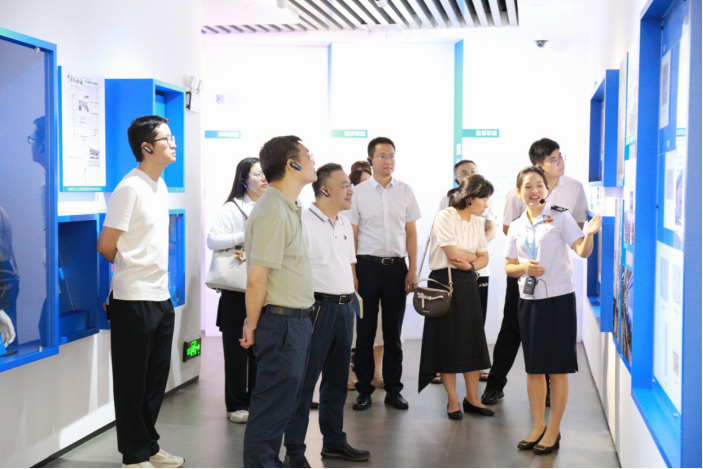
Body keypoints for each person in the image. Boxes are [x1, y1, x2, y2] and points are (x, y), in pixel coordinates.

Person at [97, 116, 184, 469]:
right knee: (132, 383)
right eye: (167, 139)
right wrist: (131, 268)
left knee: (154, 382)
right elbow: (105, 245)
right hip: (132, 299)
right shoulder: (130, 188)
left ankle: (148, 446)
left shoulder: (159, 185)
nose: (174, 143)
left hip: (161, 296)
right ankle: (133, 457)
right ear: (147, 147)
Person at [482, 138, 588, 406]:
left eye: (560, 156)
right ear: (539, 165)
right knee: (512, 328)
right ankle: (495, 384)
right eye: (554, 159)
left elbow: (575, 229)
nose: (560, 162)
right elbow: (510, 229)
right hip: (523, 273)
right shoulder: (518, 192)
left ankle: (550, 390)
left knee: (552, 336)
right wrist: (528, 255)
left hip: (555, 277)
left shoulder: (574, 188)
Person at [505, 166, 601, 454]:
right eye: (527, 187)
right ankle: (537, 426)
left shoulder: (560, 217)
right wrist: (524, 266)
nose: (534, 191)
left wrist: (590, 234)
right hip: (528, 299)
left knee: (557, 369)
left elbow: (582, 251)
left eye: (539, 185)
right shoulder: (517, 225)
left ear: (547, 189)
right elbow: (509, 266)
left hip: (559, 300)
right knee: (534, 369)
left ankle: (554, 429)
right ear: (519, 192)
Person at [283, 164, 371, 468]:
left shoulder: (344, 222)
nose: (351, 190)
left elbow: (348, 266)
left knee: (336, 380)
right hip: (317, 309)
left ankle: (333, 441)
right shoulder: (302, 221)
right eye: (344, 185)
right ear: (324, 190)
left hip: (346, 308)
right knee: (304, 382)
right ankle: (294, 449)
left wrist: (352, 299)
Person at [240, 136, 317, 468]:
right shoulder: (273, 210)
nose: (312, 161)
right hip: (282, 324)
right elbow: (257, 278)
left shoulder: (285, 207)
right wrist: (252, 323)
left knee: (280, 406)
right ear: (292, 164)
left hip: (293, 322)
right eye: (308, 155)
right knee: (271, 408)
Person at [348, 137, 421, 412]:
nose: (388, 161)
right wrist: (352, 273)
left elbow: (411, 233)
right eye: (382, 156)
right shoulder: (358, 193)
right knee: (365, 333)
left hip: (396, 269)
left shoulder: (405, 190)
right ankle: (364, 390)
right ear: (370, 160)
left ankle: (394, 390)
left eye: (391, 156)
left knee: (393, 333)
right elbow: (353, 236)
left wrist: (412, 269)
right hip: (366, 267)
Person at [420, 175, 494, 419]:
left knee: (473, 342)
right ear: (469, 198)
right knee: (447, 343)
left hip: (468, 281)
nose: (486, 204)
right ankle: (452, 400)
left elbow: (485, 258)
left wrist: (469, 262)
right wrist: (473, 258)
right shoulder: (446, 216)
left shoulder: (477, 221)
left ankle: (472, 399)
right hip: (444, 281)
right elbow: (452, 254)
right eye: (484, 199)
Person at [207, 157, 268, 424]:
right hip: (236, 290)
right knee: (235, 351)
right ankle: (235, 404)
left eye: (265, 173)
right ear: (244, 179)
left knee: (260, 350)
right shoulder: (232, 208)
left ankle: (256, 401)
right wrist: (244, 236)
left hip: (264, 288)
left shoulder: (272, 205)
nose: (264, 178)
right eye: (257, 174)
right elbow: (212, 240)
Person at [439, 159, 498, 382]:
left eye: (473, 171)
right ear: (457, 179)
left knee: (476, 320)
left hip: (477, 271)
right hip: (451, 272)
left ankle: (475, 365)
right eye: (464, 172)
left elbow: (491, 231)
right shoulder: (446, 204)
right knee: (449, 324)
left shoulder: (482, 209)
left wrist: (475, 253)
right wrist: (475, 253)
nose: (469, 174)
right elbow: (450, 248)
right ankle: (447, 366)